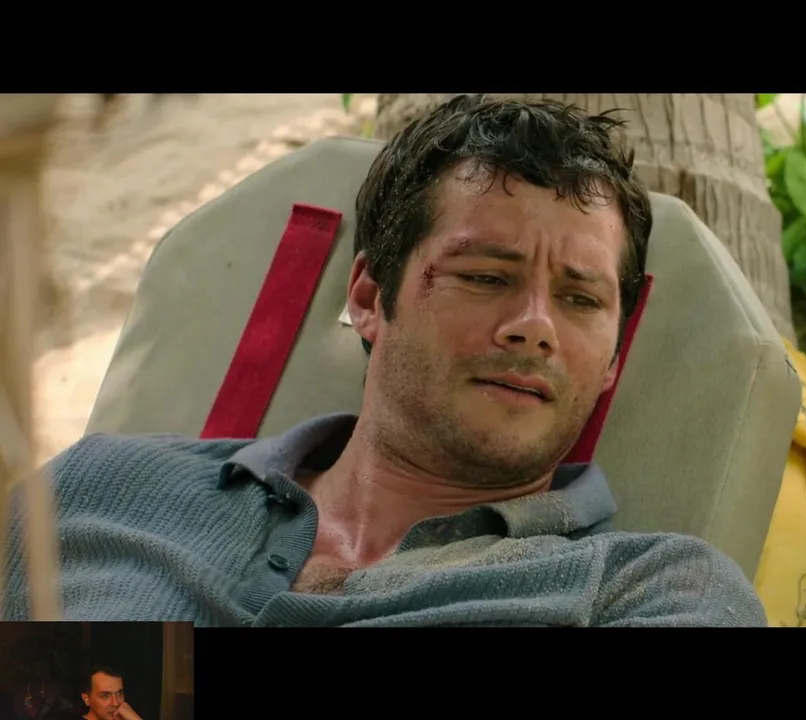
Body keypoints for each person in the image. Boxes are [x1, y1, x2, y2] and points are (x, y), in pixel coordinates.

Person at [3, 94, 766, 627]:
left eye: (579, 299)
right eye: (485, 277)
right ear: (370, 295)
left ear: (613, 359)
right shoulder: (94, 491)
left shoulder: (649, 593)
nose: (535, 328)